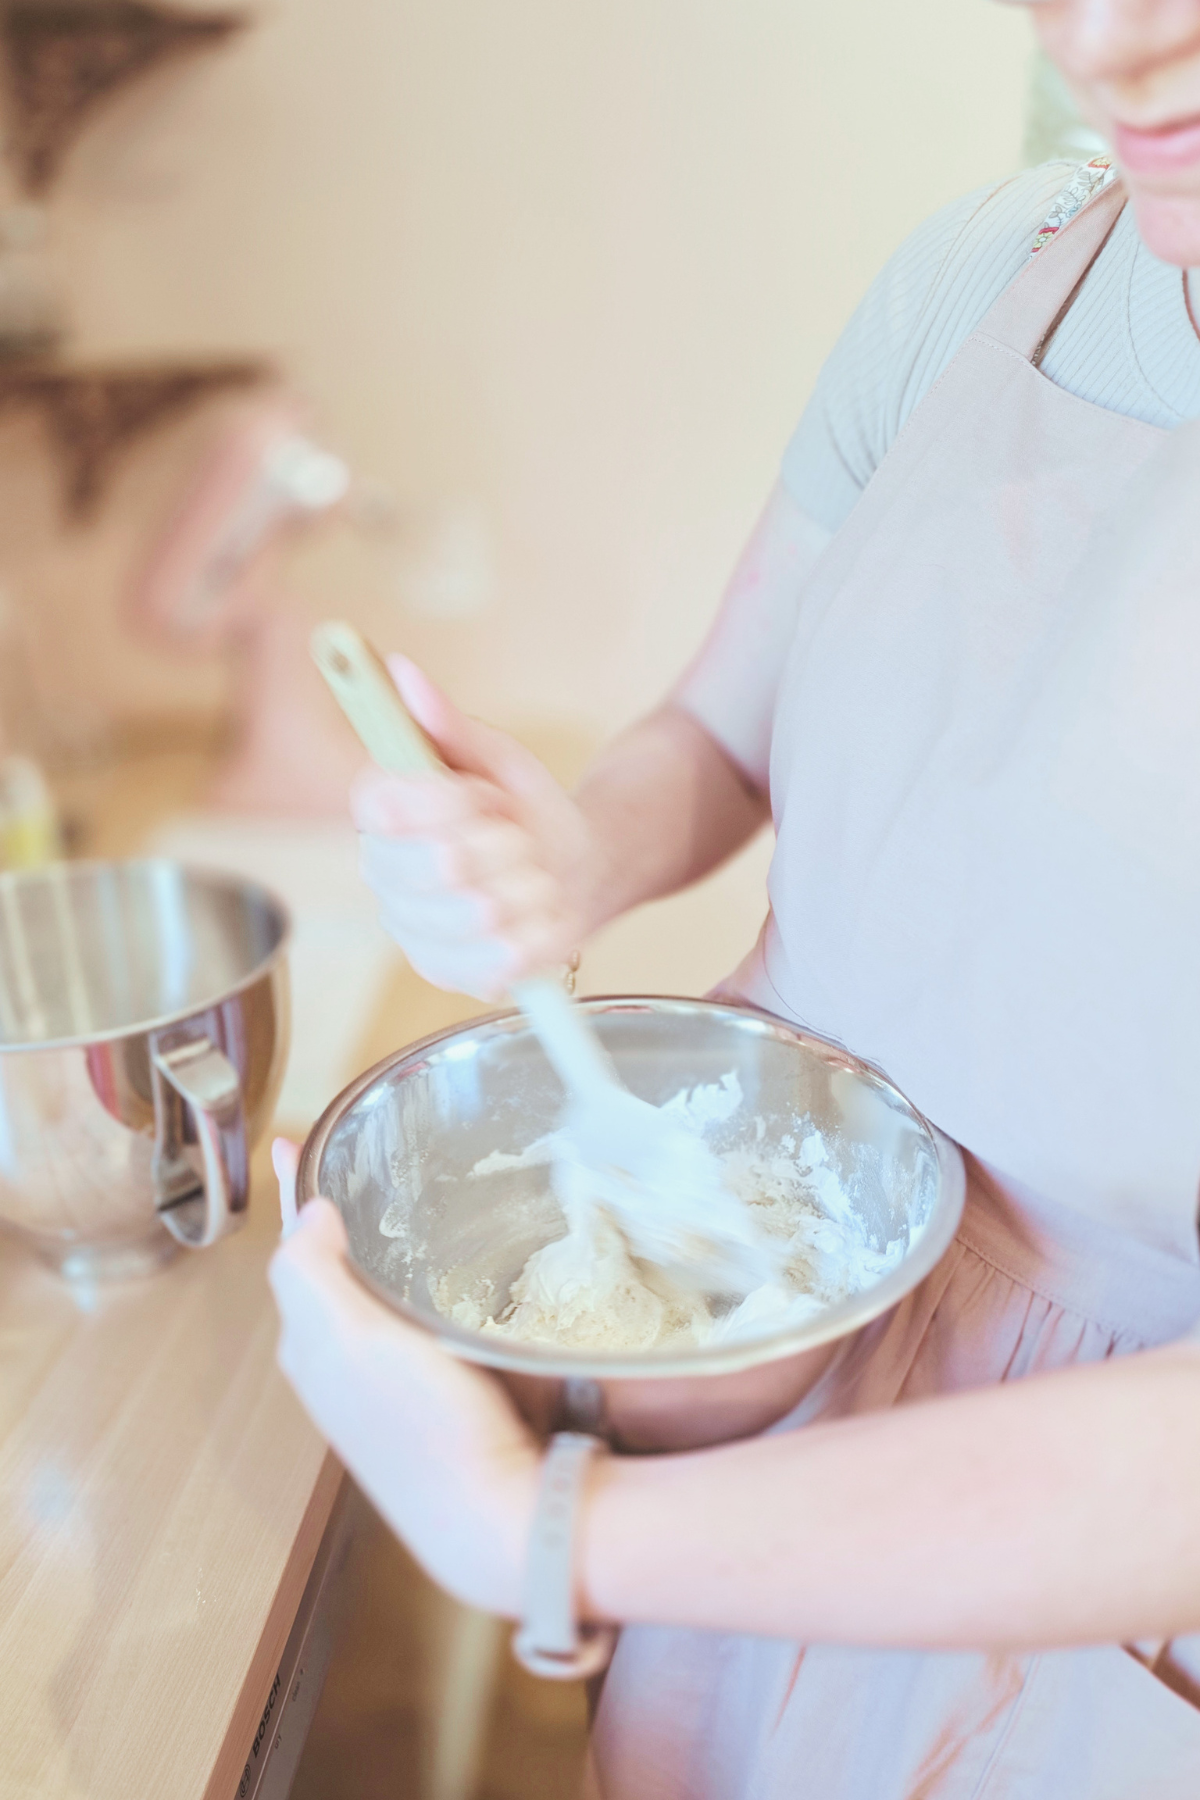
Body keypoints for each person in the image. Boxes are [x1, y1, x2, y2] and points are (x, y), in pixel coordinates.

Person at [268, 1, 1200, 1790]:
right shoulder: (990, 273)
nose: (1106, 46)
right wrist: (574, 855)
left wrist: (543, 1532)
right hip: (758, 1437)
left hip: (1090, 1603)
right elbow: (723, 729)